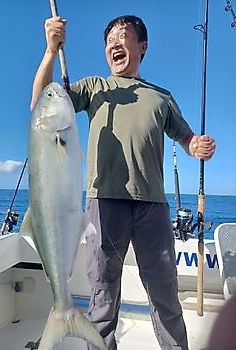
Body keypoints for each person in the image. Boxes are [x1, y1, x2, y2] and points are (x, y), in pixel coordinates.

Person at [31, 15, 216, 350]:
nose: (114, 44)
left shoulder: (161, 97)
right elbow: (41, 105)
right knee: (102, 299)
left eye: (123, 36)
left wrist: (196, 146)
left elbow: (186, 138)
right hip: (103, 203)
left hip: (153, 208)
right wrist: (50, 51)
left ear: (142, 47)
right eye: (109, 40)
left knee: (165, 296)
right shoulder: (93, 88)